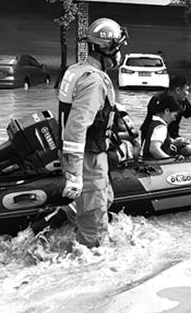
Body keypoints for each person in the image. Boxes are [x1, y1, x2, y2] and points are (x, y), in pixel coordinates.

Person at [58, 17, 128, 248]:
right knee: (94, 225)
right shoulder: (94, 81)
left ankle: (74, 217)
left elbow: (84, 108)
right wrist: (75, 175)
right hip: (88, 159)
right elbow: (76, 128)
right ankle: (91, 256)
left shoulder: (77, 70)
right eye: (118, 47)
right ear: (107, 49)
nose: (120, 54)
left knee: (105, 199)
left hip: (91, 155)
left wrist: (115, 111)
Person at [140, 75, 191, 156]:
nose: (187, 93)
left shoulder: (183, 101)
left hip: (172, 135)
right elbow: (152, 127)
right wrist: (171, 142)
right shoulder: (157, 100)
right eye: (186, 90)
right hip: (154, 136)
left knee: (190, 149)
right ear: (178, 90)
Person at [141, 93, 183, 159]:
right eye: (174, 115)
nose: (174, 119)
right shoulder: (161, 127)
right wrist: (171, 160)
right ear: (167, 111)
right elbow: (154, 149)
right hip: (154, 163)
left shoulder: (152, 123)